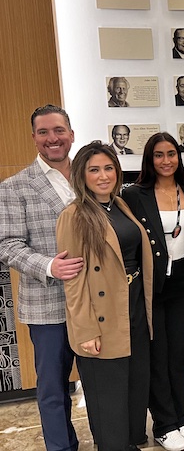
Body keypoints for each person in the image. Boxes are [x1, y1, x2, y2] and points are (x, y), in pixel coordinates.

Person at [56, 142, 153, 450]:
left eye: (108, 168)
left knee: (134, 391)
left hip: (133, 308)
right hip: (103, 316)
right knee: (107, 401)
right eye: (94, 170)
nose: (103, 176)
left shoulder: (119, 204)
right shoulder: (74, 216)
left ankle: (129, 444)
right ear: (81, 175)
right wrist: (86, 329)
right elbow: (73, 280)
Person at [0, 104, 82, 451]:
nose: (53, 138)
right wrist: (49, 266)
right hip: (47, 307)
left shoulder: (91, 176)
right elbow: (7, 245)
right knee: (53, 389)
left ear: (71, 134)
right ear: (34, 138)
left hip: (96, 303)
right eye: (44, 132)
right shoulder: (14, 186)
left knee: (104, 382)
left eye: (59, 130)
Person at [122, 133, 184, 449]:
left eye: (171, 154)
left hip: (183, 283)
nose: (165, 160)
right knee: (158, 354)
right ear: (149, 159)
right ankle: (164, 424)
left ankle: (181, 415)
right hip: (152, 285)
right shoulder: (135, 194)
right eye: (158, 155)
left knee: (177, 353)